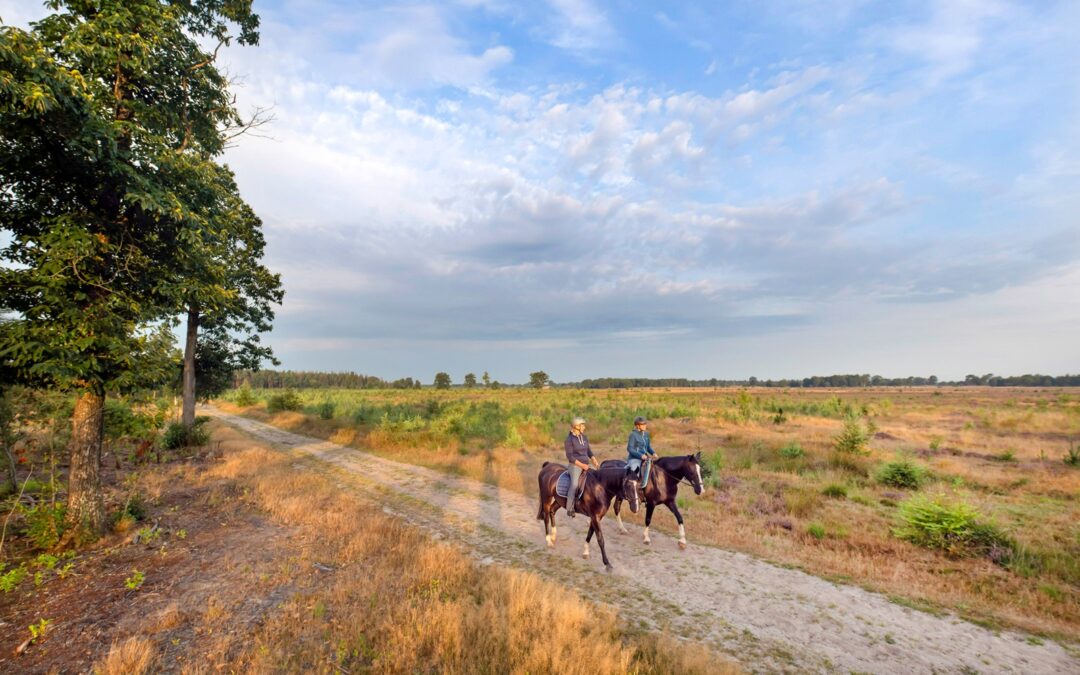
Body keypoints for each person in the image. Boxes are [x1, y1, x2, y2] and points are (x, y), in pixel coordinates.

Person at [564, 417, 598, 517]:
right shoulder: (569, 440)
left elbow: (588, 450)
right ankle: (569, 508)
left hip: (586, 465)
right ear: (577, 426)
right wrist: (582, 465)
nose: (584, 427)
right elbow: (570, 456)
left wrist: (594, 459)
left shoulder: (584, 437)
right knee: (574, 485)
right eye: (582, 425)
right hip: (575, 466)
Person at [626, 416, 657, 485]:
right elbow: (630, 448)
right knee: (635, 472)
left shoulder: (646, 434)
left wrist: (653, 453)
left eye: (645, 424)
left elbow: (648, 447)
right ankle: (633, 489)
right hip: (634, 459)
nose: (645, 426)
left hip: (646, 458)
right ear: (637, 426)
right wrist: (641, 456)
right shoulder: (633, 435)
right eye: (643, 424)